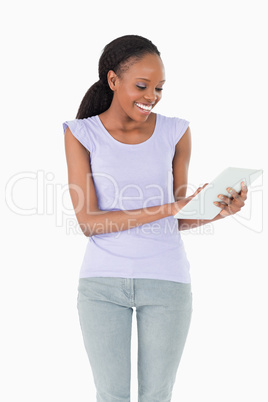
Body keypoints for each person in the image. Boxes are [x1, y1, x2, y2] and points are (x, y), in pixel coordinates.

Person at [62, 35, 248, 402]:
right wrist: (169, 208)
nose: (152, 97)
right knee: (111, 395)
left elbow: (178, 216)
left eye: (159, 88)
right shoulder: (80, 133)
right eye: (142, 86)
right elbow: (89, 222)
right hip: (102, 285)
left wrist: (217, 212)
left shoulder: (176, 131)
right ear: (113, 81)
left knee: (157, 396)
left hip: (167, 282)